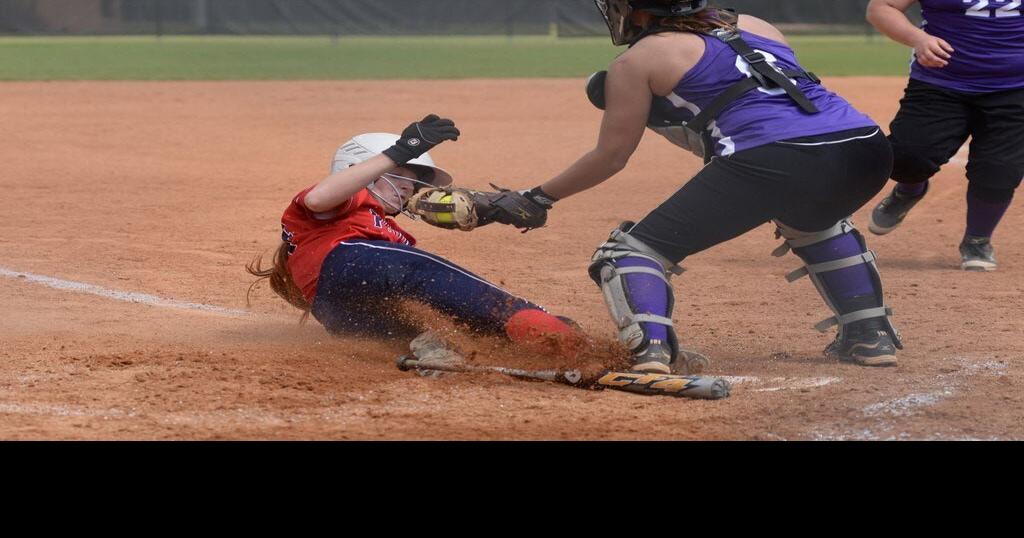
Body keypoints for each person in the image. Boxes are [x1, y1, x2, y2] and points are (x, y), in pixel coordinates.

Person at [455, 1, 903, 372]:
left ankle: (650, 352)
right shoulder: (755, 24)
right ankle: (870, 335)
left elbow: (611, 157)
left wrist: (537, 198)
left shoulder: (637, 60)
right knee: (814, 220)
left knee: (630, 253)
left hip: (777, 157)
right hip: (866, 147)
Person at [246, 115, 581, 355]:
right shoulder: (347, 201)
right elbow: (320, 198)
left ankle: (446, 350)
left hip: (337, 310)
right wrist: (399, 151)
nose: (408, 187)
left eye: (412, 182)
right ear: (358, 168)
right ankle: (561, 334)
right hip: (353, 262)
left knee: (449, 332)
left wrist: (490, 211)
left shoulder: (392, 234)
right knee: (466, 291)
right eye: (399, 175)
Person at [865, 0, 1024, 271]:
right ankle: (909, 190)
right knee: (907, 156)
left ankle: (977, 239)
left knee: (1000, 168)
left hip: (1016, 87)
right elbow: (881, 8)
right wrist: (918, 39)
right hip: (940, 82)